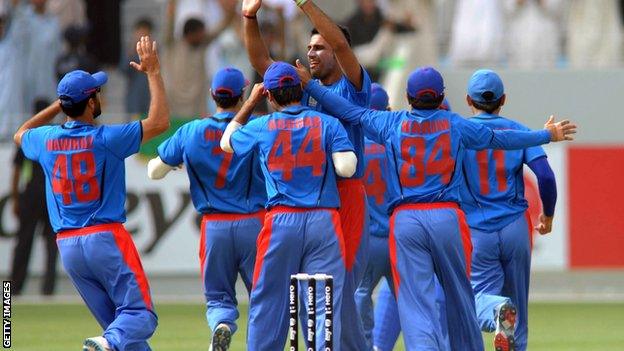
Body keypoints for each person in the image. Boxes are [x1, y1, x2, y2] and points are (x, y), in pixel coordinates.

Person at [295, 63, 576, 350]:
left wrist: (311, 86)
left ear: (408, 97)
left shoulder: (390, 123)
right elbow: (502, 138)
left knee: (417, 303)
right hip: (449, 218)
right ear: (442, 98)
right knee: (460, 295)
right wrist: (546, 135)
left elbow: (348, 111)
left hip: (407, 221)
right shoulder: (456, 124)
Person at [13, 36, 170, 351]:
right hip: (105, 238)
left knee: (119, 330)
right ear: (90, 102)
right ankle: (106, 342)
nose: (103, 96)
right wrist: (153, 72)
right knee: (140, 317)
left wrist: (60, 103)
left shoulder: (46, 140)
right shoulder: (107, 139)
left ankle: (106, 342)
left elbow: (20, 134)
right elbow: (160, 122)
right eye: (98, 93)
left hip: (68, 247)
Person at [242, 0, 372, 347]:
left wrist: (303, 4)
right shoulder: (298, 89)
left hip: (344, 195)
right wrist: (249, 17)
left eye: (320, 47)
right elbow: (261, 63)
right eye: (309, 47)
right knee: (321, 297)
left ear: (338, 53)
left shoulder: (353, 87)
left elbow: (343, 44)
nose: (312, 53)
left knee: (335, 294)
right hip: (315, 203)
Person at [220, 61, 356, 351]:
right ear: (300, 89)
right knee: (324, 299)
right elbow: (346, 168)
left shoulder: (262, 126)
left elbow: (226, 143)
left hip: (281, 220)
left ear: (269, 96)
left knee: (269, 297)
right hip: (323, 220)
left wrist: (250, 103)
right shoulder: (327, 123)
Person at [146, 67, 266, 351]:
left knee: (218, 298)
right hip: (255, 224)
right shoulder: (255, 128)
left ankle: (222, 324)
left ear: (213, 95)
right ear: (242, 96)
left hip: (214, 227)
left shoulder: (191, 131)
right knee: (262, 298)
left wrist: (176, 163)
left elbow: (154, 172)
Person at [461, 69, 558, 351]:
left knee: (477, 298)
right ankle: (506, 320)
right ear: (503, 99)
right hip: (516, 227)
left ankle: (496, 310)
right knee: (519, 309)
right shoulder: (521, 131)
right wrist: (548, 215)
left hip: (477, 229)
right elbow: (546, 176)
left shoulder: (461, 133)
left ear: (469, 100)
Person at [10, 99, 57, 296]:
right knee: (52, 243)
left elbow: (17, 172)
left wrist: (15, 198)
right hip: (52, 193)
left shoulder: (28, 137)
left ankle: (15, 287)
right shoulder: (55, 136)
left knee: (24, 242)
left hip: (31, 194)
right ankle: (48, 289)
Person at [162, 0, 236, 118]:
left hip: (197, 105)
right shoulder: (172, 45)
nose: (203, 35)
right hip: (174, 105)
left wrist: (231, 8)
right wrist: (173, 3)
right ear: (190, 33)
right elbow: (170, 20)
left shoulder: (202, 44)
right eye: (200, 33)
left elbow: (223, 25)